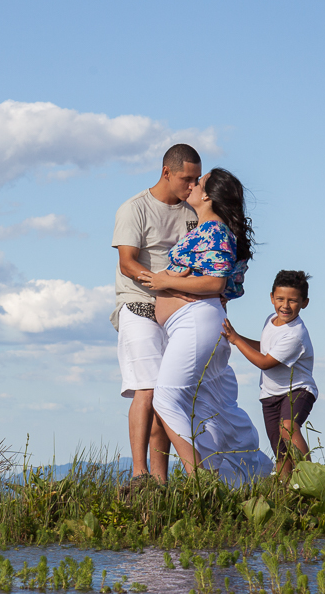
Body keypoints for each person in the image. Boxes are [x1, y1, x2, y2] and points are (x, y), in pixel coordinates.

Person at [142, 168, 272, 484]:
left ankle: (200, 481)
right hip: (193, 322)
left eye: (198, 182)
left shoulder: (215, 230)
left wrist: (166, 280)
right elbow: (226, 284)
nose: (192, 184)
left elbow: (217, 282)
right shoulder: (208, 229)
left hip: (195, 322)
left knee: (165, 399)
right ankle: (248, 476)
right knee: (213, 407)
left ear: (208, 196)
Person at [112, 143, 202, 482]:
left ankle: (161, 481)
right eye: (186, 179)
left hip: (177, 307)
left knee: (168, 393)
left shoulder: (192, 213)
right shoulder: (134, 208)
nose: (192, 187)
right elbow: (127, 262)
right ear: (167, 172)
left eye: (196, 180)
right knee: (147, 390)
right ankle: (139, 474)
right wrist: (162, 283)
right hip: (138, 304)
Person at [223, 270, 317, 478]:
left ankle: (311, 477)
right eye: (280, 299)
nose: (285, 305)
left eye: (293, 301)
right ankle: (284, 490)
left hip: (297, 389)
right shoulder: (271, 320)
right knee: (280, 450)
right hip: (270, 394)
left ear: (305, 303)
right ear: (271, 297)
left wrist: (236, 339)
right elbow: (266, 349)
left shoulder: (295, 334)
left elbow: (265, 362)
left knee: (288, 428)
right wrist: (236, 336)